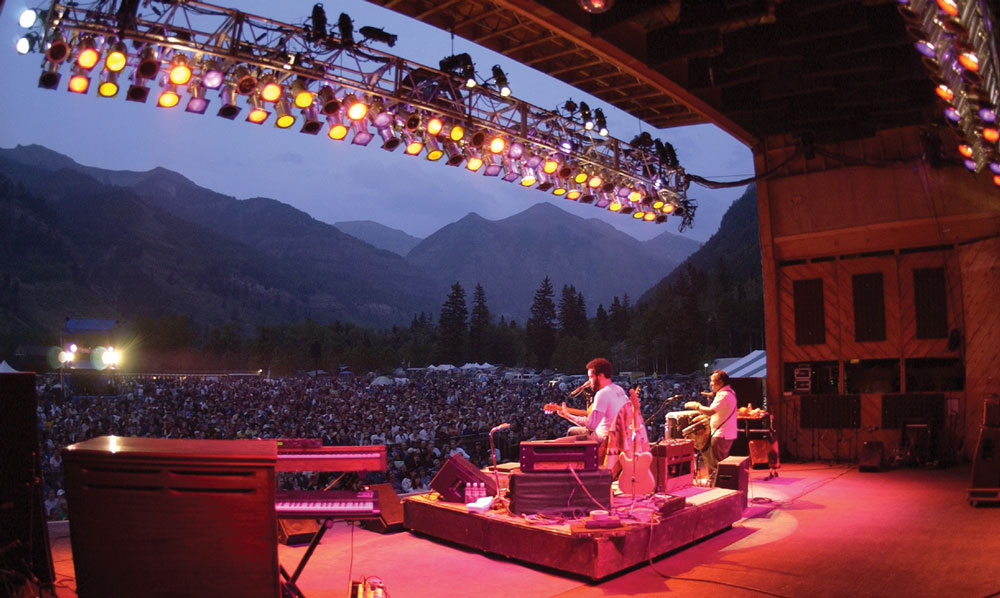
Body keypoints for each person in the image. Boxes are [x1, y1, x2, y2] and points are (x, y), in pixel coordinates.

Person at [557, 357, 630, 469]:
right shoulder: (619, 389)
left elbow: (591, 424)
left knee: (558, 444)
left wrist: (567, 415)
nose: (589, 381)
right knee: (572, 432)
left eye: (591, 377)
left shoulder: (602, 394)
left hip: (601, 441)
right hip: (617, 438)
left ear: (600, 376)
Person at [685, 370, 738, 480]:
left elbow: (710, 411)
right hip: (724, 434)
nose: (711, 384)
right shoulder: (729, 393)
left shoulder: (724, 395)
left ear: (721, 382)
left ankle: (716, 489)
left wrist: (696, 406)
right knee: (719, 465)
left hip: (721, 435)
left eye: (713, 381)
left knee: (715, 467)